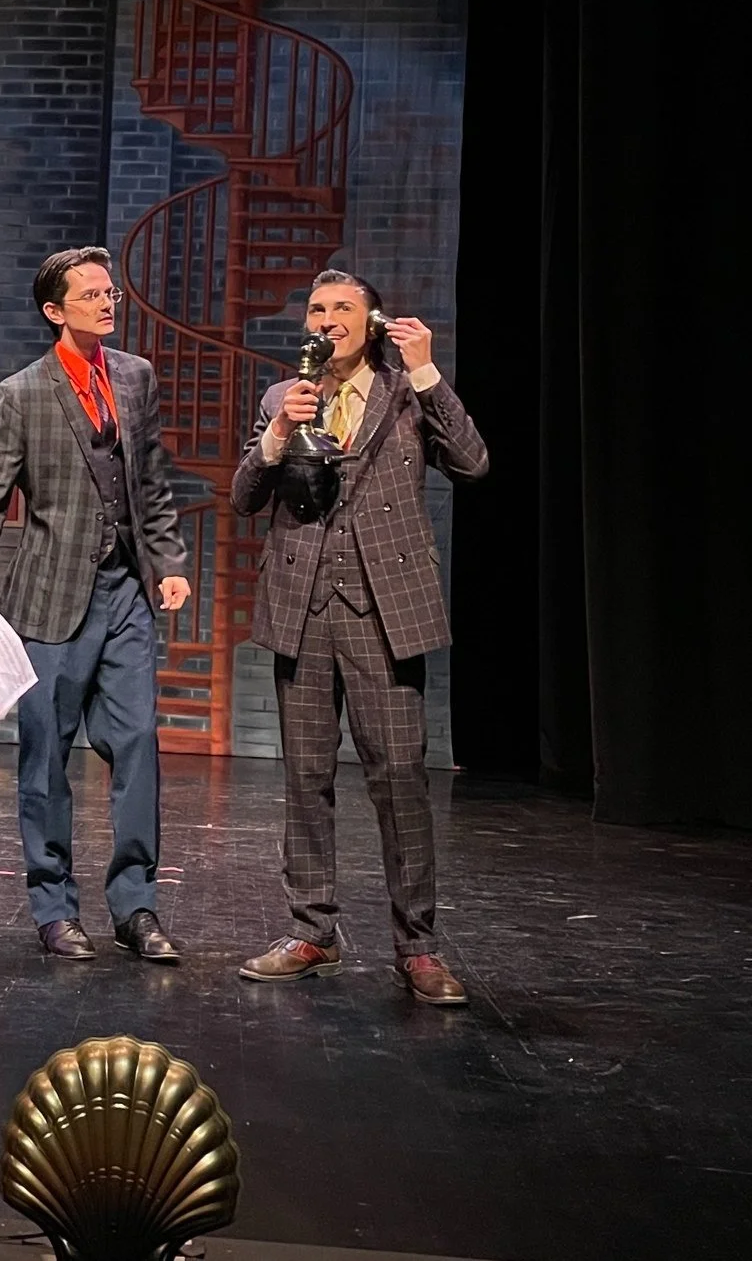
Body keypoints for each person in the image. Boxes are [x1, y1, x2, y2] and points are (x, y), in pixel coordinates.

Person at [230, 270, 489, 1005]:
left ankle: (418, 947)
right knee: (304, 779)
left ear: (371, 320)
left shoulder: (409, 390)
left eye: (343, 307)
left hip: (383, 609)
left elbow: (472, 462)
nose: (327, 318)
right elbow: (245, 496)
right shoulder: (283, 397)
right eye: (317, 308)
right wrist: (278, 434)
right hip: (302, 606)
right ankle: (312, 930)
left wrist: (427, 369)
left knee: (398, 778)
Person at [0, 246, 192, 963]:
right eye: (88, 294)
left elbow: (149, 482)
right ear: (54, 310)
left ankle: (135, 906)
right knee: (45, 759)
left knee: (137, 747)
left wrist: (169, 561)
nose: (105, 302)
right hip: (48, 601)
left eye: (109, 292)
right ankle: (54, 907)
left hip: (124, 591)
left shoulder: (135, 378)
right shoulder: (22, 392)